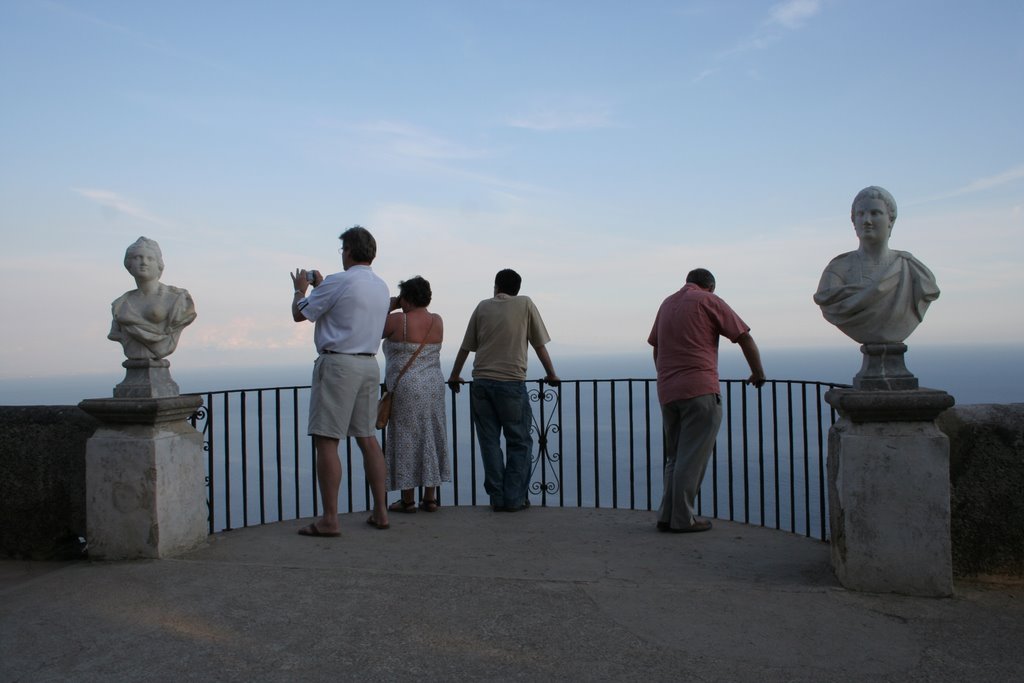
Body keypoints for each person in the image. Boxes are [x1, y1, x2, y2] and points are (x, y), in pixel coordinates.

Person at [648, 268, 766, 534]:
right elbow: (743, 336)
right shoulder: (709, 300)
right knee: (692, 458)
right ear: (710, 286)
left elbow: (656, 347)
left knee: (675, 457)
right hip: (700, 389)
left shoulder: (667, 303)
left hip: (668, 390)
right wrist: (758, 372)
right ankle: (683, 519)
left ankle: (666, 516)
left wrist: (665, 377)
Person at [291, 226, 391, 536]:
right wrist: (323, 287)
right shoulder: (381, 286)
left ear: (347, 251)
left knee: (326, 439)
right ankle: (381, 511)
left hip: (338, 366)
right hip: (369, 365)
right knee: (366, 437)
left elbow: (300, 314)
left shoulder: (338, 281)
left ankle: (330, 519)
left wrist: (300, 289)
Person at [447, 269, 559, 512]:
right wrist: (551, 373)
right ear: (517, 289)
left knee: (489, 442)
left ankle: (497, 498)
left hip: (482, 384)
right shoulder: (525, 304)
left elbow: (466, 347)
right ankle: (514, 498)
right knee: (519, 442)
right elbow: (538, 344)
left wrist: (455, 375)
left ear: (496, 286)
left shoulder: (482, 307)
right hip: (511, 383)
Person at [813, 186, 940, 343]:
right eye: (861, 214)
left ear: (891, 220)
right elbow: (828, 298)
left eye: (875, 213)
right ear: (854, 222)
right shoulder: (836, 270)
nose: (867, 220)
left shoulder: (912, 270)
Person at [381, 276, 451, 513]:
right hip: (433, 385)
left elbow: (370, 330)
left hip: (406, 388)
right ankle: (430, 497)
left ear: (406, 298)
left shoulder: (398, 319)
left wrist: (390, 306)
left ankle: (408, 499)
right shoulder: (437, 320)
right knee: (432, 434)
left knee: (406, 438)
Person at [108, 236, 196, 360]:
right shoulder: (120, 304)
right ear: (129, 265)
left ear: (159, 265)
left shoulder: (178, 299)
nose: (144, 262)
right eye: (138, 257)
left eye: (150, 258)